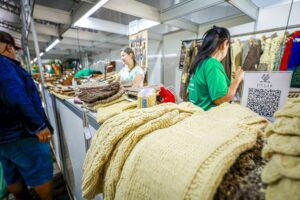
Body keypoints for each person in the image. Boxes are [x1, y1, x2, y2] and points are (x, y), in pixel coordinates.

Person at [0, 31, 53, 200]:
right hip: (20, 134)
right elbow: (16, 97)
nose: (15, 52)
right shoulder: (4, 64)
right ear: (8, 47)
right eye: (15, 49)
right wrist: (38, 126)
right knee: (40, 170)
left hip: (3, 138)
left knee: (12, 173)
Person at [188, 26, 244, 111]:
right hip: (208, 117)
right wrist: (238, 79)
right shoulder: (212, 64)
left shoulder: (200, 62)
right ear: (225, 44)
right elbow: (221, 100)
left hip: (197, 113)